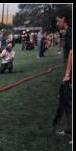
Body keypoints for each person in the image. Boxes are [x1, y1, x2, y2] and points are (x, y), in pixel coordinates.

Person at [53, 8, 72, 143]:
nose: (57, 23)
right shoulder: (68, 32)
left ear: (63, 19)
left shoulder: (71, 32)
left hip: (70, 75)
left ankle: (69, 132)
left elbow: (72, 53)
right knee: (66, 102)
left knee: (69, 102)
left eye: (57, 20)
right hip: (69, 73)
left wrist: (67, 74)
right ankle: (68, 131)